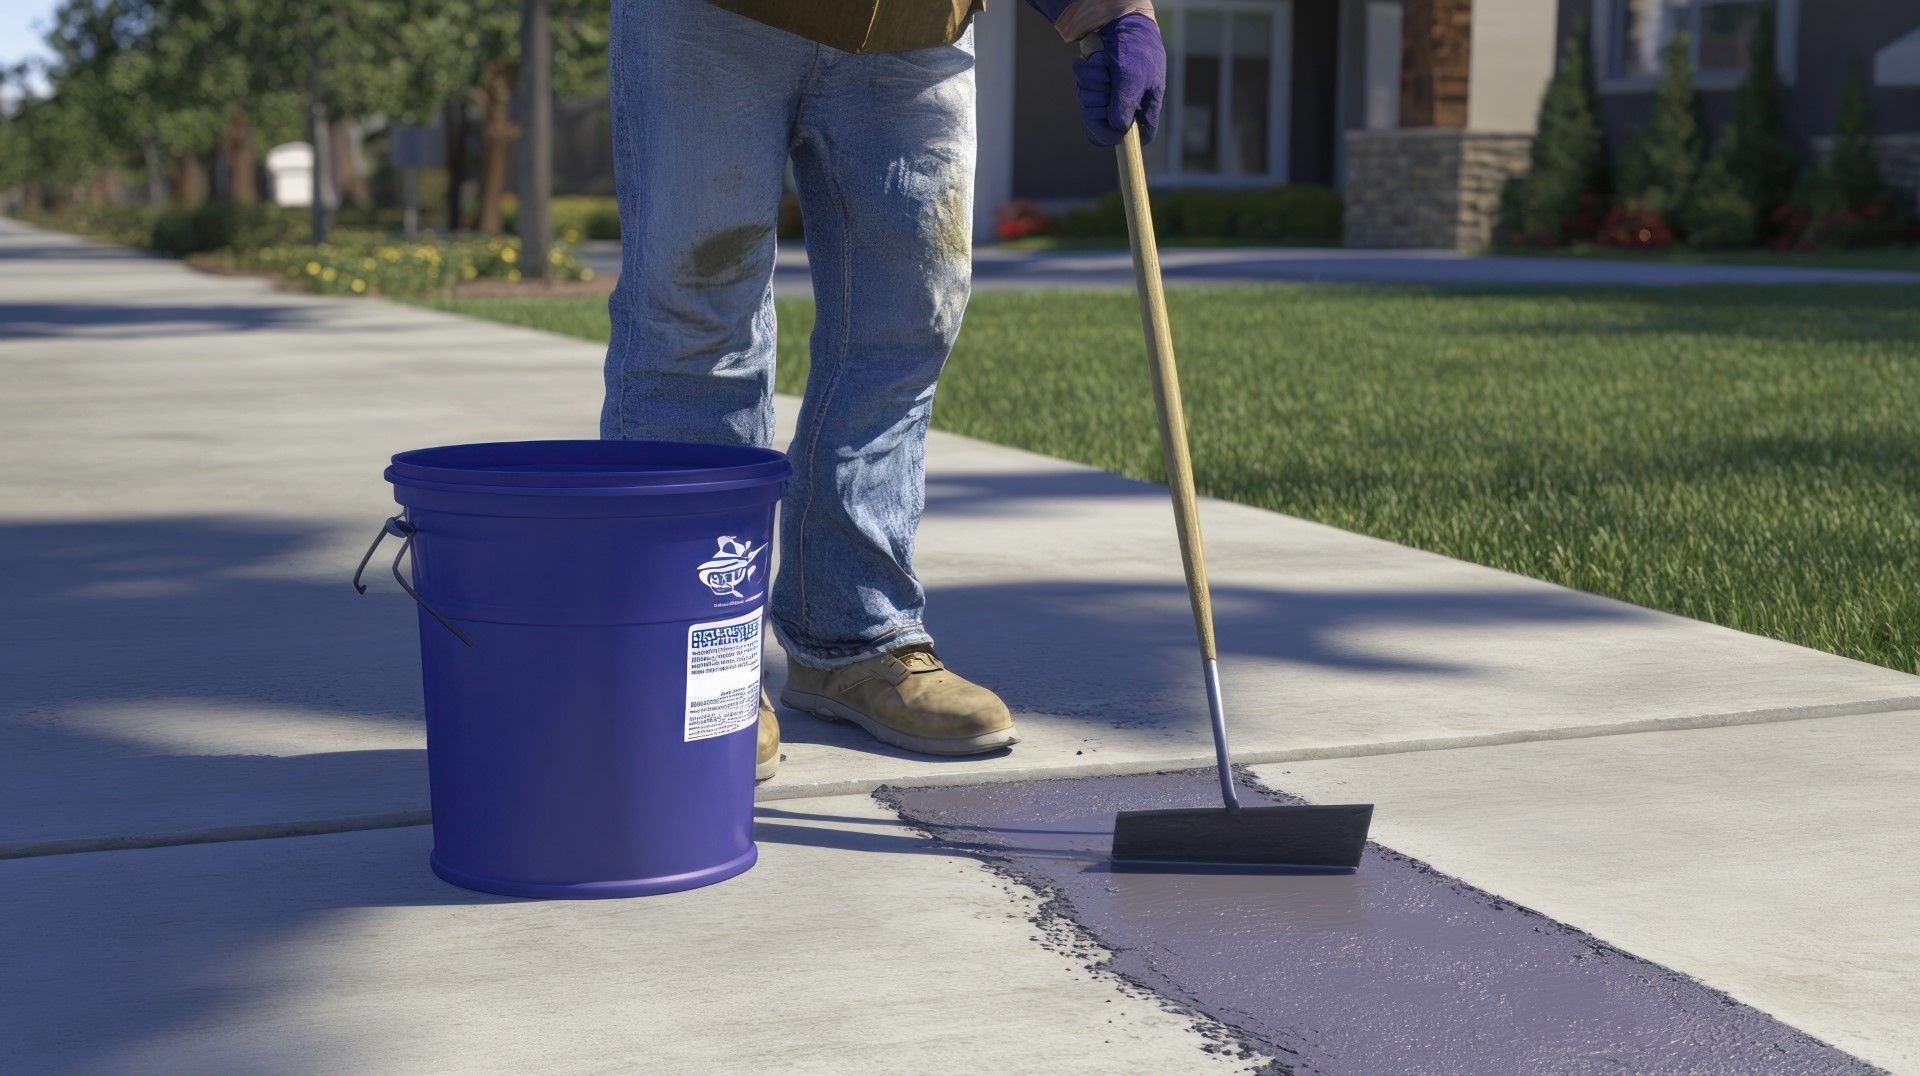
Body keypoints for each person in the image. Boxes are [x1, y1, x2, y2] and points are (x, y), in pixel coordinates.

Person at [602, 0, 1165, 781]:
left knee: (904, 324)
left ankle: (855, 639)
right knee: (696, 319)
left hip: (916, 27)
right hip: (715, 20)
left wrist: (1111, 7)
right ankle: (694, 653)